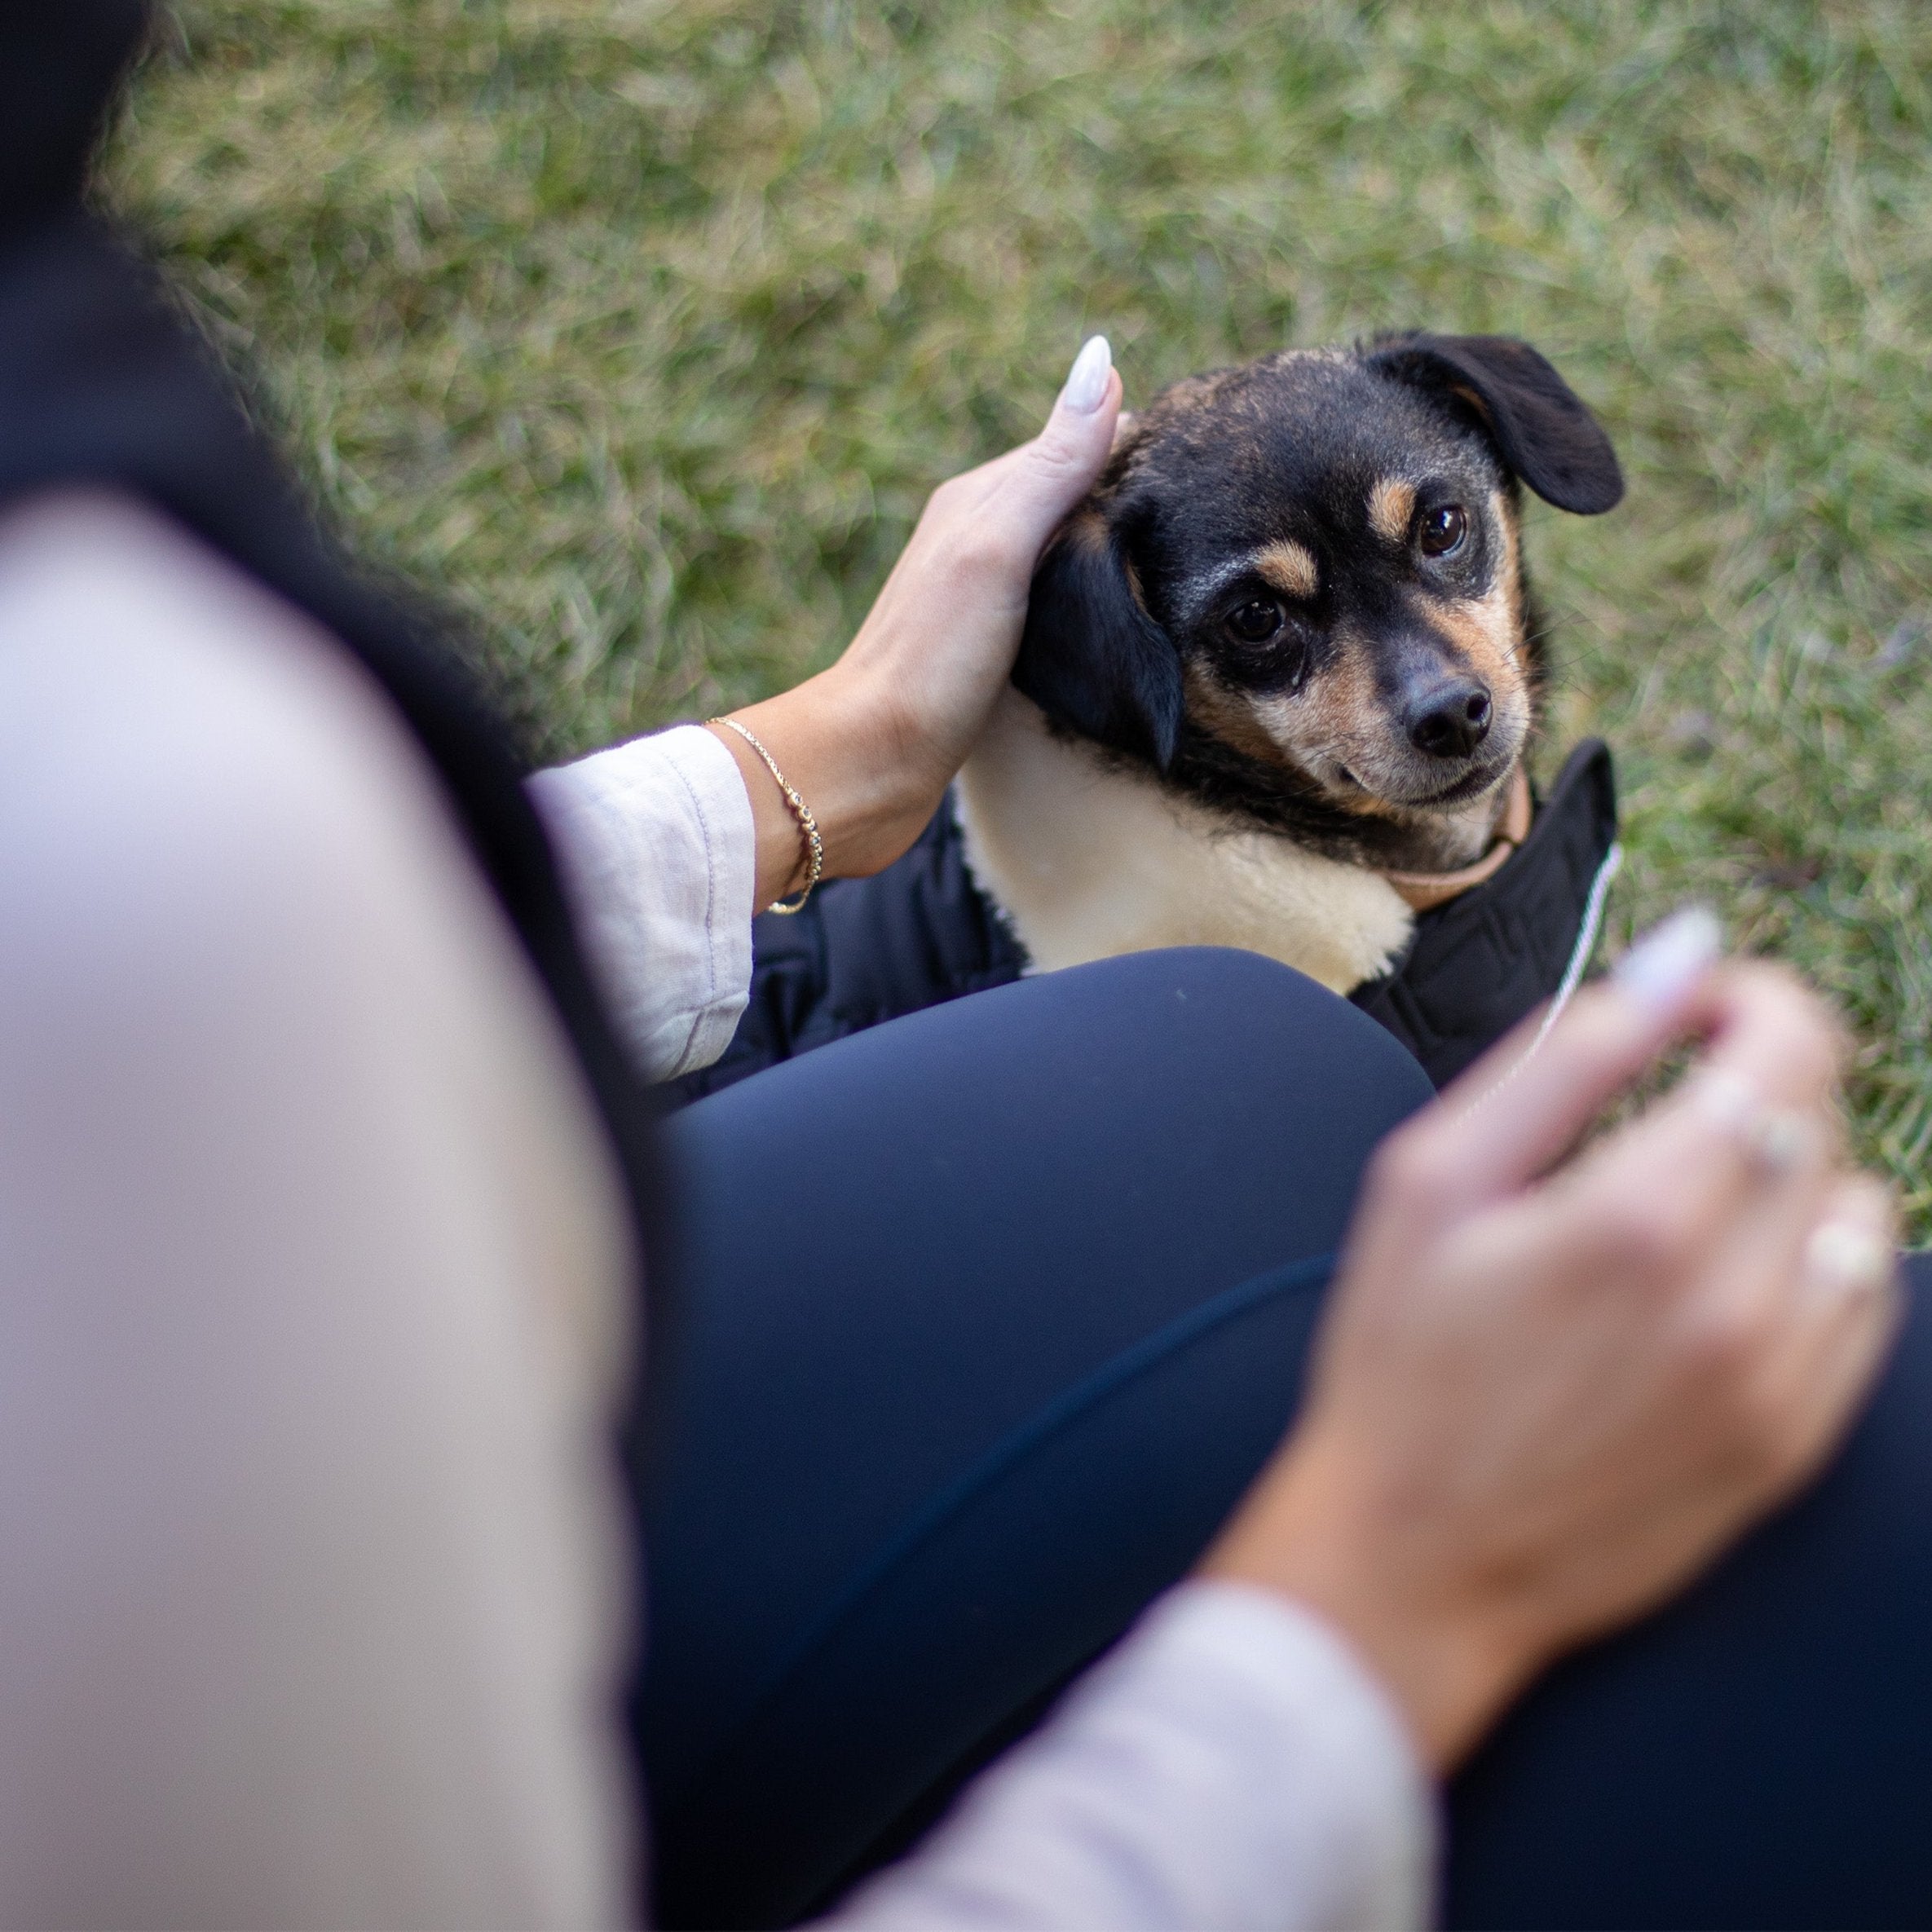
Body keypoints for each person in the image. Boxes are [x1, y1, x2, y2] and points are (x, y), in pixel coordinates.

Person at [5, 9, 1932, 1930]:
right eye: (1272, 645)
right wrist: (1392, 1596)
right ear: (1136, 676)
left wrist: (827, 747)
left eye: (1445, 543)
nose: (1426, 680)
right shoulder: (159, 868)